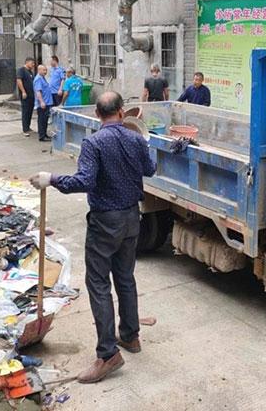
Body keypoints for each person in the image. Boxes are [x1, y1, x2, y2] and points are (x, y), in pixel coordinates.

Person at [30, 91, 156, 384]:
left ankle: (108, 354)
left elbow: (84, 181)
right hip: (131, 219)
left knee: (99, 284)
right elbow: (150, 169)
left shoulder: (94, 142)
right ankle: (131, 336)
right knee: (125, 277)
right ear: (122, 112)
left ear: (97, 115)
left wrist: (52, 178)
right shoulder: (136, 139)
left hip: (105, 223)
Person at [16, 57, 36, 136]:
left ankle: (28, 127)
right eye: (32, 63)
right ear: (27, 62)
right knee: (25, 111)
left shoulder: (30, 72)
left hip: (31, 95)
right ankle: (25, 129)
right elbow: (19, 80)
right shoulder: (21, 70)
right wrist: (23, 91)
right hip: (25, 95)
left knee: (30, 111)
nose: (33, 65)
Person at [33, 64, 54, 141]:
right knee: (42, 120)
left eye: (46, 70)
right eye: (44, 70)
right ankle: (42, 136)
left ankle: (44, 134)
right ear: (39, 70)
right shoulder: (38, 79)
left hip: (47, 103)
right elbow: (38, 91)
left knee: (45, 120)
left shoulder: (42, 78)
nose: (45, 72)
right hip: (43, 104)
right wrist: (42, 102)